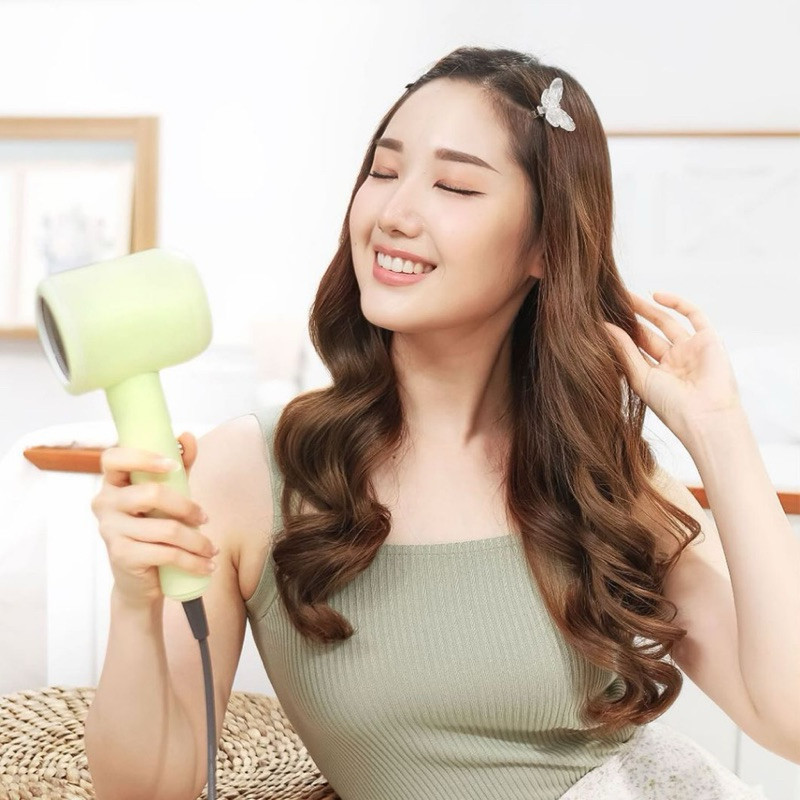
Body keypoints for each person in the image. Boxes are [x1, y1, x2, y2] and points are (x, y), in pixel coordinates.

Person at [82, 47, 788, 799]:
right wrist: (134, 602)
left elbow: (791, 719)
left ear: (546, 242)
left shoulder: (603, 478)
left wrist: (718, 430)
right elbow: (146, 793)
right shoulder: (252, 472)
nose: (393, 214)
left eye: (453, 185)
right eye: (383, 172)